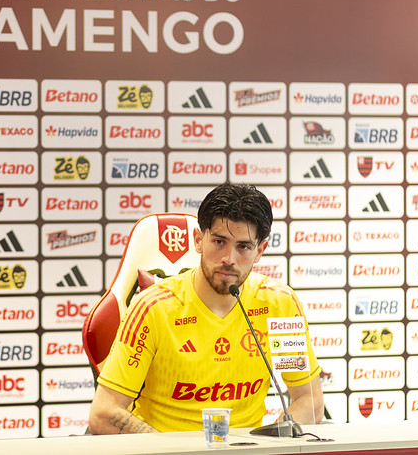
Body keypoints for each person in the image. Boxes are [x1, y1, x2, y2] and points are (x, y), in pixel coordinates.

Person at [88, 183, 324, 434]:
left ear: (259, 251)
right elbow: (104, 412)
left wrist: (270, 444)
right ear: (199, 241)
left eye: (243, 247)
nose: (229, 259)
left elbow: (310, 401)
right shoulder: (153, 308)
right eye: (219, 241)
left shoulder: (280, 304)